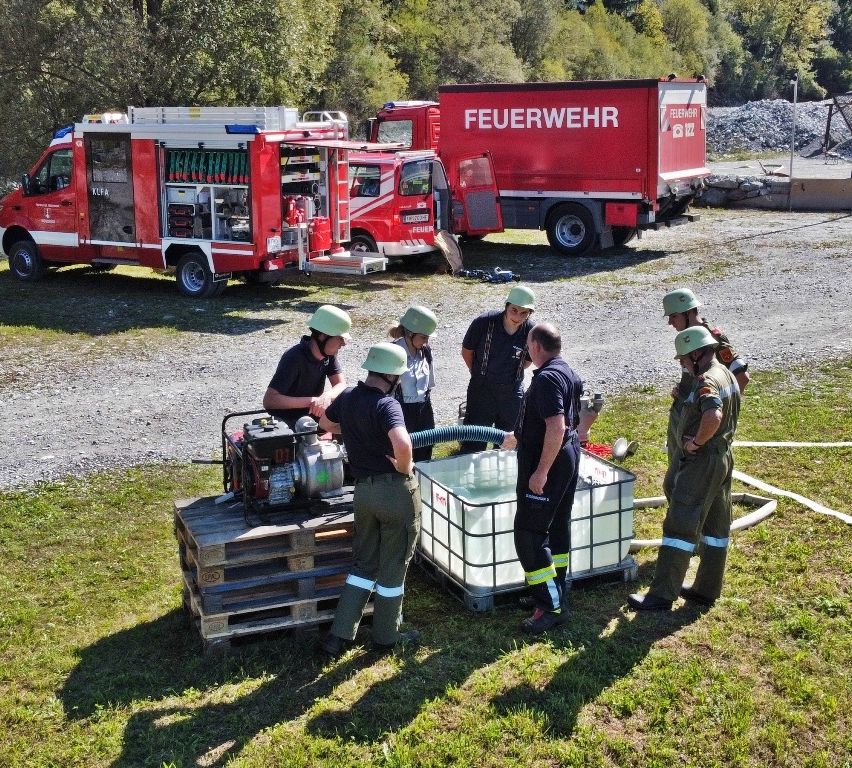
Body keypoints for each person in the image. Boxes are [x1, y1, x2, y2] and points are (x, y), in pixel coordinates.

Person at [628, 326, 741, 610]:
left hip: (701, 462)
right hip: (723, 458)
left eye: (683, 359)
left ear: (696, 355)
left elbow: (713, 414)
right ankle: (706, 589)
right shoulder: (725, 373)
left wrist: (695, 444)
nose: (681, 364)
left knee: (680, 523)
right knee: (716, 525)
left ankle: (662, 595)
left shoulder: (707, 381)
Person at [318, 342, 421, 655]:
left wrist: (351, 429)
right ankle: (386, 638)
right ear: (392, 377)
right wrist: (405, 467)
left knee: (363, 564)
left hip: (363, 493)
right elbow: (402, 444)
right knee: (393, 567)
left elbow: (324, 423)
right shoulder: (387, 405)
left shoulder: (348, 397)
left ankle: (338, 637)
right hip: (394, 492)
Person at [501, 322, 583, 634]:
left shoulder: (547, 378)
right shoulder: (566, 371)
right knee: (557, 524)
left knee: (528, 533)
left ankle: (550, 606)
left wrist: (541, 471)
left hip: (550, 461)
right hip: (568, 455)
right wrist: (521, 434)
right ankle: (554, 589)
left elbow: (556, 426)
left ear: (535, 347)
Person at [662, 287, 748, 500]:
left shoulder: (713, 340)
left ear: (688, 312)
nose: (670, 322)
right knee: (676, 474)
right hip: (683, 415)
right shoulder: (688, 339)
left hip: (700, 424)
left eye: (673, 316)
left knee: (692, 482)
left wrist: (720, 415)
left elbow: (741, 378)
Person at [460, 285, 536, 452]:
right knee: (473, 440)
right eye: (514, 310)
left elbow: (528, 362)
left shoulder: (530, 331)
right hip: (481, 389)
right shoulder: (484, 322)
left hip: (512, 392)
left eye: (524, 313)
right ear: (506, 306)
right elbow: (467, 352)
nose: (517, 316)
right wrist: (479, 374)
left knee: (509, 443)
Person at [262, 305, 351, 426]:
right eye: (340, 338)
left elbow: (341, 384)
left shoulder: (328, 356)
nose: (344, 344)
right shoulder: (294, 357)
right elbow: (270, 400)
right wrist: (313, 401)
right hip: (287, 420)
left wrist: (326, 396)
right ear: (323, 336)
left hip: (311, 416)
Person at [389, 305, 438, 462]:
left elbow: (429, 384)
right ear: (410, 333)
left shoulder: (426, 351)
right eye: (423, 337)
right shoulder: (393, 352)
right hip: (401, 412)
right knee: (404, 453)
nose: (426, 341)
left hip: (423, 409)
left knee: (425, 449)